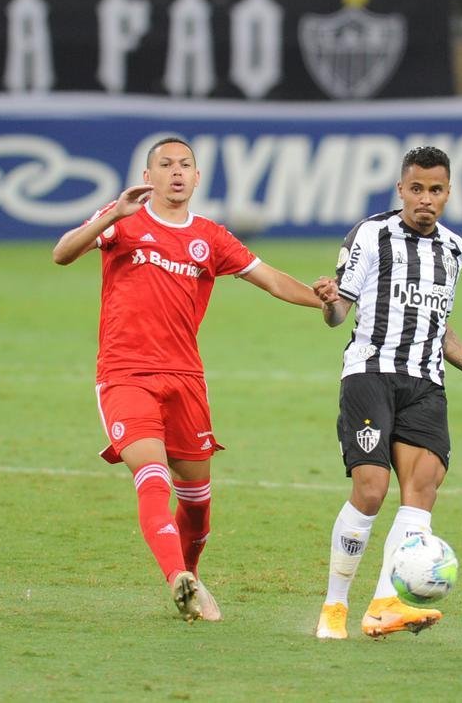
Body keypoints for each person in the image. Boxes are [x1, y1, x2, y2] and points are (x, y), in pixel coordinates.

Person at [52, 136, 323, 622]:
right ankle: (176, 575)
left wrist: (325, 300)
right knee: (151, 475)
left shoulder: (212, 238)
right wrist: (110, 216)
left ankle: (191, 581)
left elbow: (272, 279)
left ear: (197, 179)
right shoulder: (122, 220)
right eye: (166, 165)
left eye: (185, 166)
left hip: (186, 380)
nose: (176, 172)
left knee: (197, 504)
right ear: (147, 176)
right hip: (125, 374)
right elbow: (61, 253)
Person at [310, 146, 462, 640]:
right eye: (416, 189)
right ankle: (334, 607)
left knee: (422, 489)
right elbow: (342, 314)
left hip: (426, 383)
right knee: (372, 489)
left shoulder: (454, 248)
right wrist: (330, 302)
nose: (426, 199)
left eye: (436, 190)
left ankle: (384, 605)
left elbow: (438, 326)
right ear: (401, 189)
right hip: (370, 375)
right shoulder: (371, 235)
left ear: (448, 193)